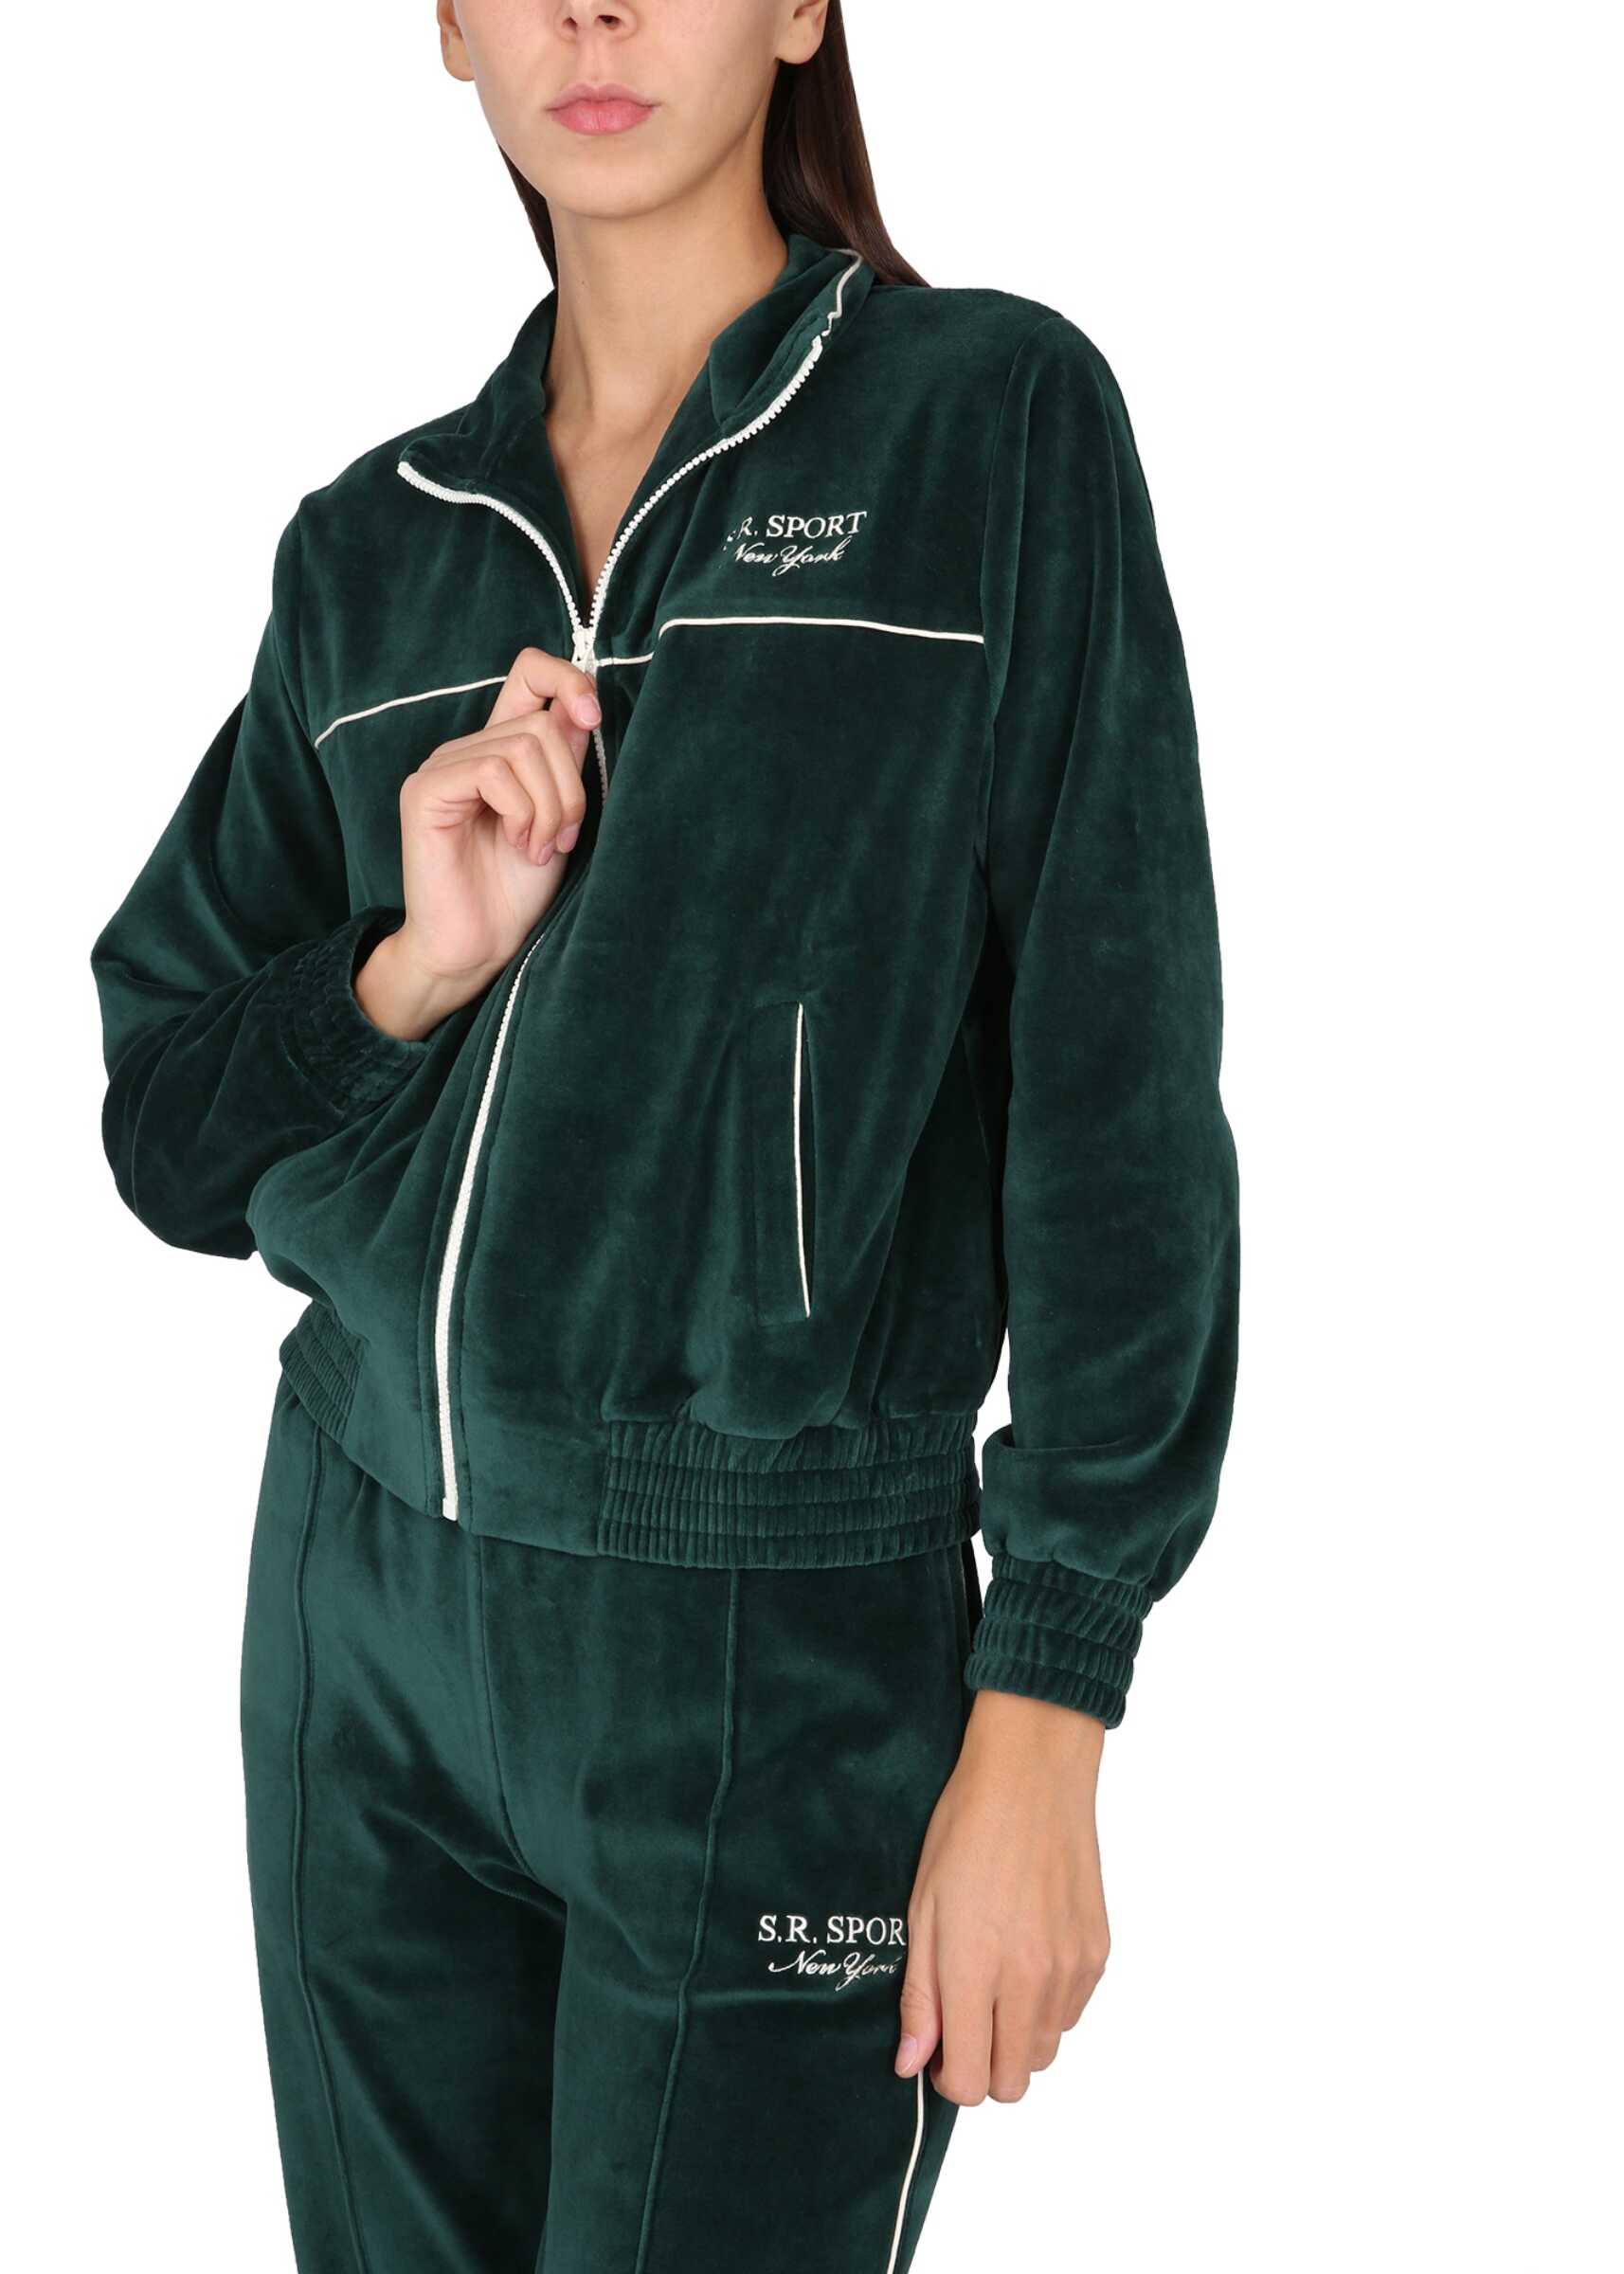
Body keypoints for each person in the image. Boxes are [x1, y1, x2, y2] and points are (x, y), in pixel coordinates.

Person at [89, 3, 1239, 2266]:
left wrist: (1051, 1690)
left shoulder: (982, 420)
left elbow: (1117, 1083)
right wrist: (408, 967)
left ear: (801, 4)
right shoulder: (375, 548)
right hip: (354, 1618)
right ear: (447, 25)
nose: (592, 15)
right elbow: (168, 1128)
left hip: (771, 1644)